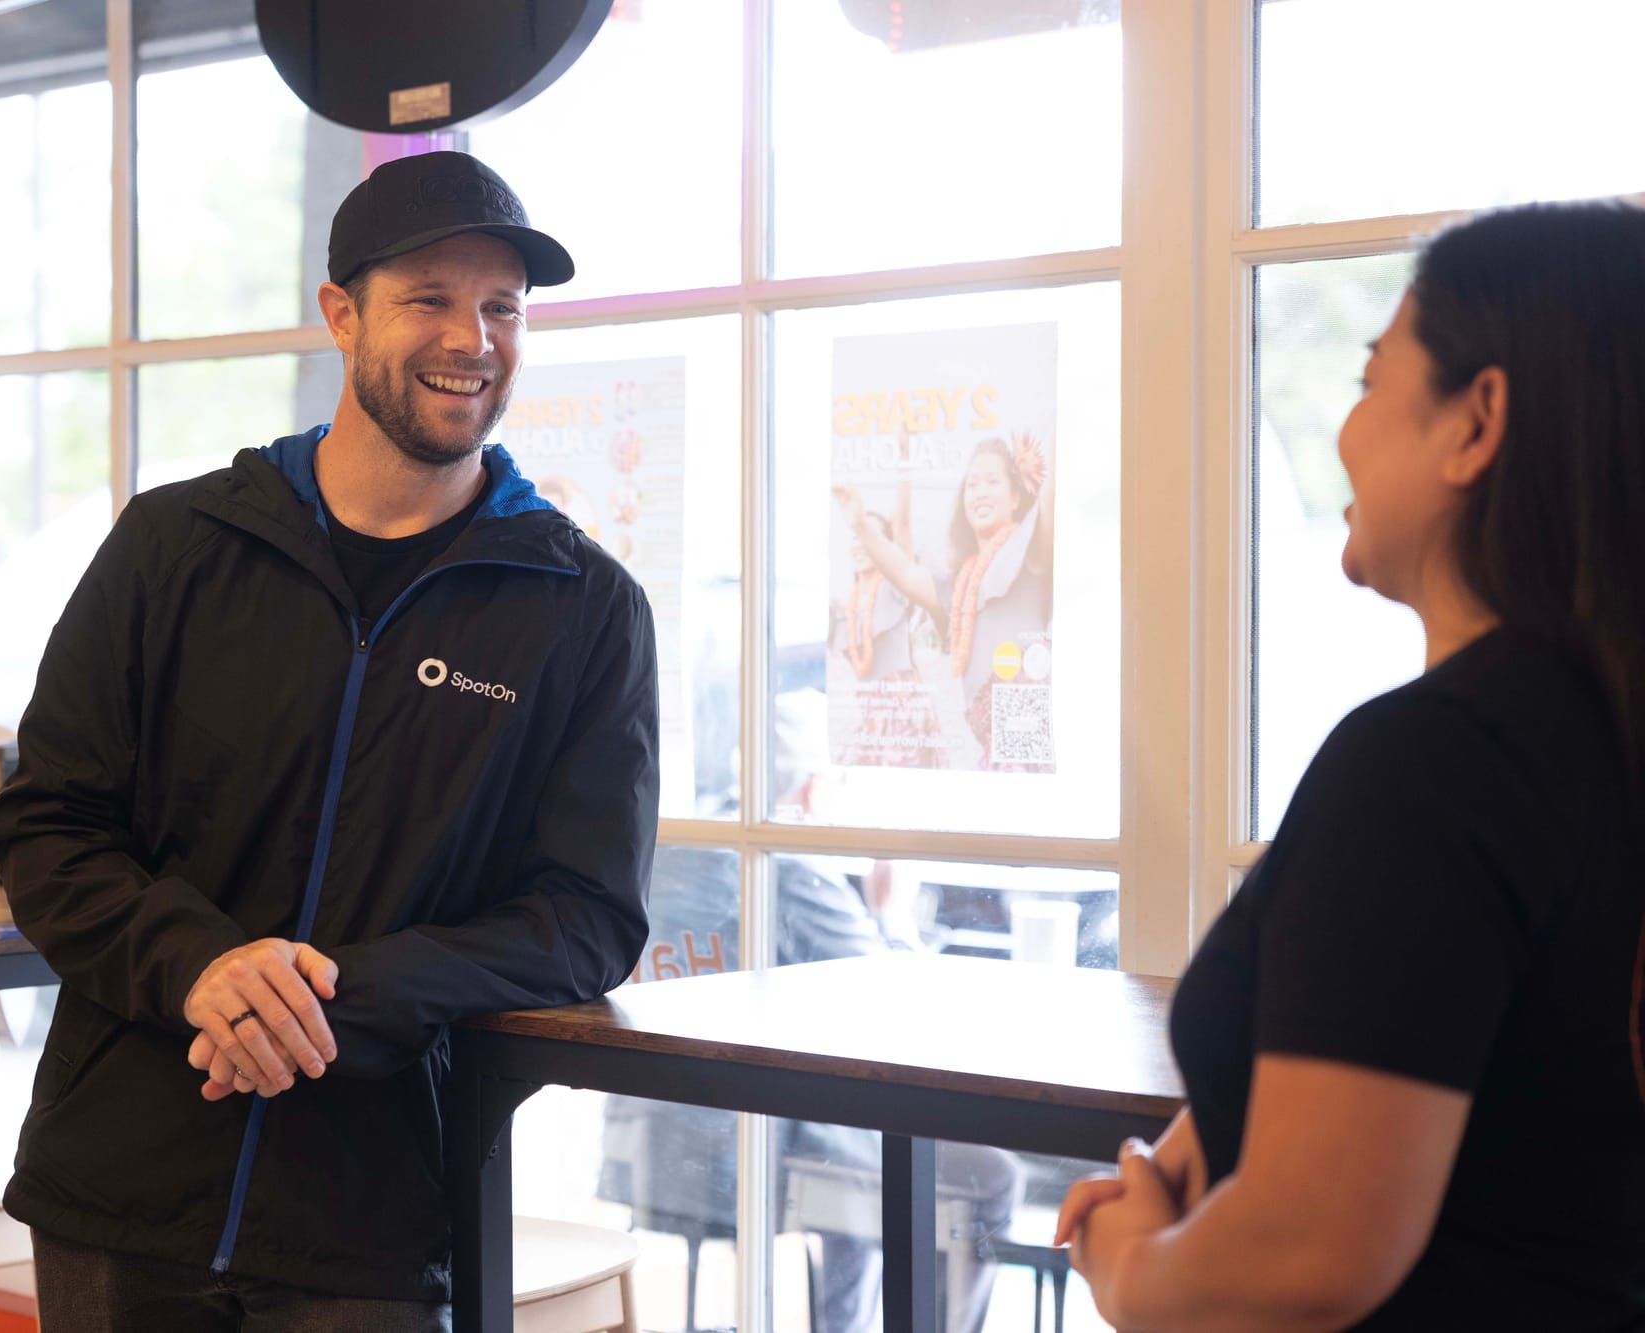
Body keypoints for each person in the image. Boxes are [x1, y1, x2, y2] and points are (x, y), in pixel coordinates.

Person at [0, 150, 659, 1333]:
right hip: (120, 1183)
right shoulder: (172, 547)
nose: (474, 338)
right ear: (340, 316)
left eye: (501, 306)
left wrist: (332, 998)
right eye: (430, 300)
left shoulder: (579, 607)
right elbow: (49, 822)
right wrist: (201, 965)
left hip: (374, 1213)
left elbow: (586, 914)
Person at [1056, 200, 1645, 1330]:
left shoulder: (1435, 762)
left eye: (1372, 378)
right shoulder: (1587, 742)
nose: (1343, 425)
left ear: (1475, 421)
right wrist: (1199, 1145)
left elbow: (1299, 1254)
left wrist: (1129, 1264)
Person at [599, 691, 1022, 1333]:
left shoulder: (671, 853)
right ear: (814, 787)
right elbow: (894, 1006)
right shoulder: (792, 872)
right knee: (978, 1172)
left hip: (653, 1143)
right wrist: (891, 914)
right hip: (761, 1149)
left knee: (854, 1148)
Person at [835, 434, 1052, 768]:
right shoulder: (959, 584)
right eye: (972, 484)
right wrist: (860, 524)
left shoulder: (1030, 548)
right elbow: (907, 574)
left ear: (1015, 497)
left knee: (1017, 805)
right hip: (989, 745)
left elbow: (1054, 490)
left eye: (992, 482)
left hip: (1022, 721)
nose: (979, 492)